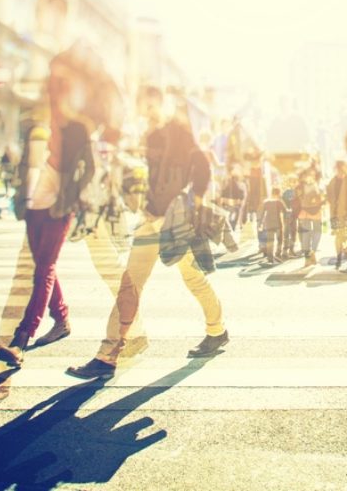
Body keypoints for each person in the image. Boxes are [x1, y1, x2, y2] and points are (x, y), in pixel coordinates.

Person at [66, 90, 228, 380]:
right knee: (131, 283)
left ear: (161, 104)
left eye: (151, 105)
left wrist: (195, 205)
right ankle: (108, 354)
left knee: (192, 278)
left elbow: (201, 166)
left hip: (175, 223)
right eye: (144, 106)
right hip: (150, 220)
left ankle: (217, 330)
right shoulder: (147, 137)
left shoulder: (177, 131)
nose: (147, 111)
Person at [0, 45, 108, 366]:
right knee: (43, 264)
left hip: (60, 203)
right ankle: (61, 320)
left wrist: (76, 199)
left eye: (61, 83)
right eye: (51, 82)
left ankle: (21, 338)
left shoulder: (79, 126)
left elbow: (91, 170)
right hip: (34, 201)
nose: (54, 88)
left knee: (44, 268)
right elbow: (21, 164)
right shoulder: (34, 120)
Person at [295, 169, 325, 267]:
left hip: (303, 212)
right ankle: (313, 251)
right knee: (318, 231)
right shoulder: (316, 185)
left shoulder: (298, 187)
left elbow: (295, 200)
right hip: (316, 211)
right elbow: (322, 197)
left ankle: (308, 259)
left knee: (305, 234)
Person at [259, 187, 284, 263]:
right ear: (279, 193)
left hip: (268, 224)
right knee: (279, 239)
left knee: (270, 241)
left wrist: (260, 224)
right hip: (278, 223)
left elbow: (262, 214)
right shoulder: (279, 202)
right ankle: (278, 254)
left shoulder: (266, 202)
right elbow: (285, 211)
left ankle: (270, 257)